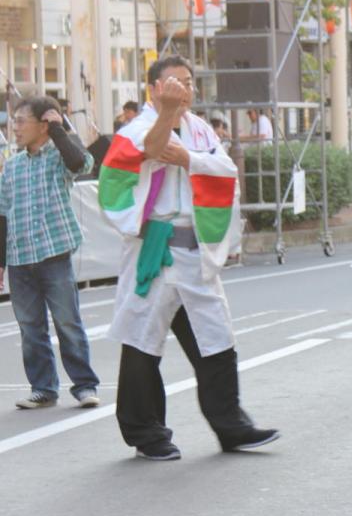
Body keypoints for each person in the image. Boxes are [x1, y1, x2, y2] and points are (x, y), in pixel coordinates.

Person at [99, 56, 277, 461]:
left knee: (217, 337)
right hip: (156, 249)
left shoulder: (198, 129)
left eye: (189, 82)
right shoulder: (139, 128)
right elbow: (151, 150)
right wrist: (167, 119)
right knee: (143, 340)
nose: (183, 90)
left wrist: (191, 160)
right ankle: (146, 432)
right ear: (153, 90)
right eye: (173, 83)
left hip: (195, 250)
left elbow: (225, 168)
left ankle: (232, 426)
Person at [0, 96, 100, 410]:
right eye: (12, 121)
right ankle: (43, 388)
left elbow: (82, 163)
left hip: (54, 254)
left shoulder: (59, 157)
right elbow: (2, 214)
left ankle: (84, 385)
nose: (13, 128)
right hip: (19, 259)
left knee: (67, 322)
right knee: (31, 328)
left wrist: (59, 129)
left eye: (20, 121)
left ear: (43, 124)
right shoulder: (12, 166)